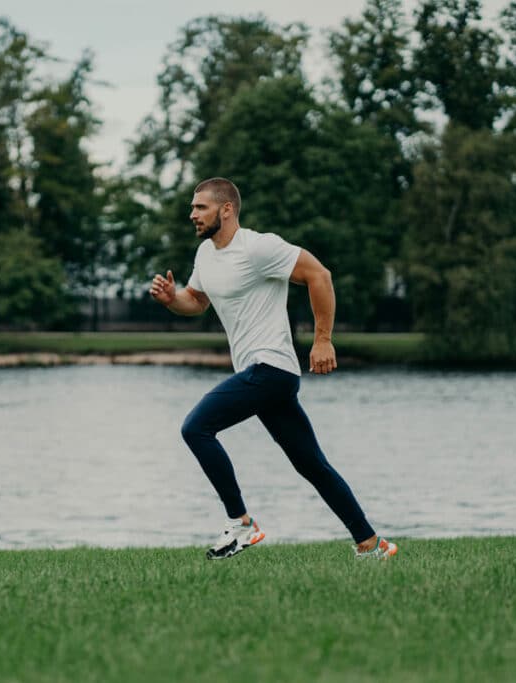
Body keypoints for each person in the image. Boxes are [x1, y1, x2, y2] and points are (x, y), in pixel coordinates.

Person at [149, 177, 397, 561]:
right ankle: (371, 544)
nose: (192, 214)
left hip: (271, 367)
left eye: (200, 207)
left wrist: (323, 339)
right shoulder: (205, 255)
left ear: (226, 209)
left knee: (196, 428)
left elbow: (319, 275)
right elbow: (196, 301)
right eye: (192, 207)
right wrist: (172, 299)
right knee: (311, 463)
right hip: (263, 375)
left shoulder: (259, 247)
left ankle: (241, 523)